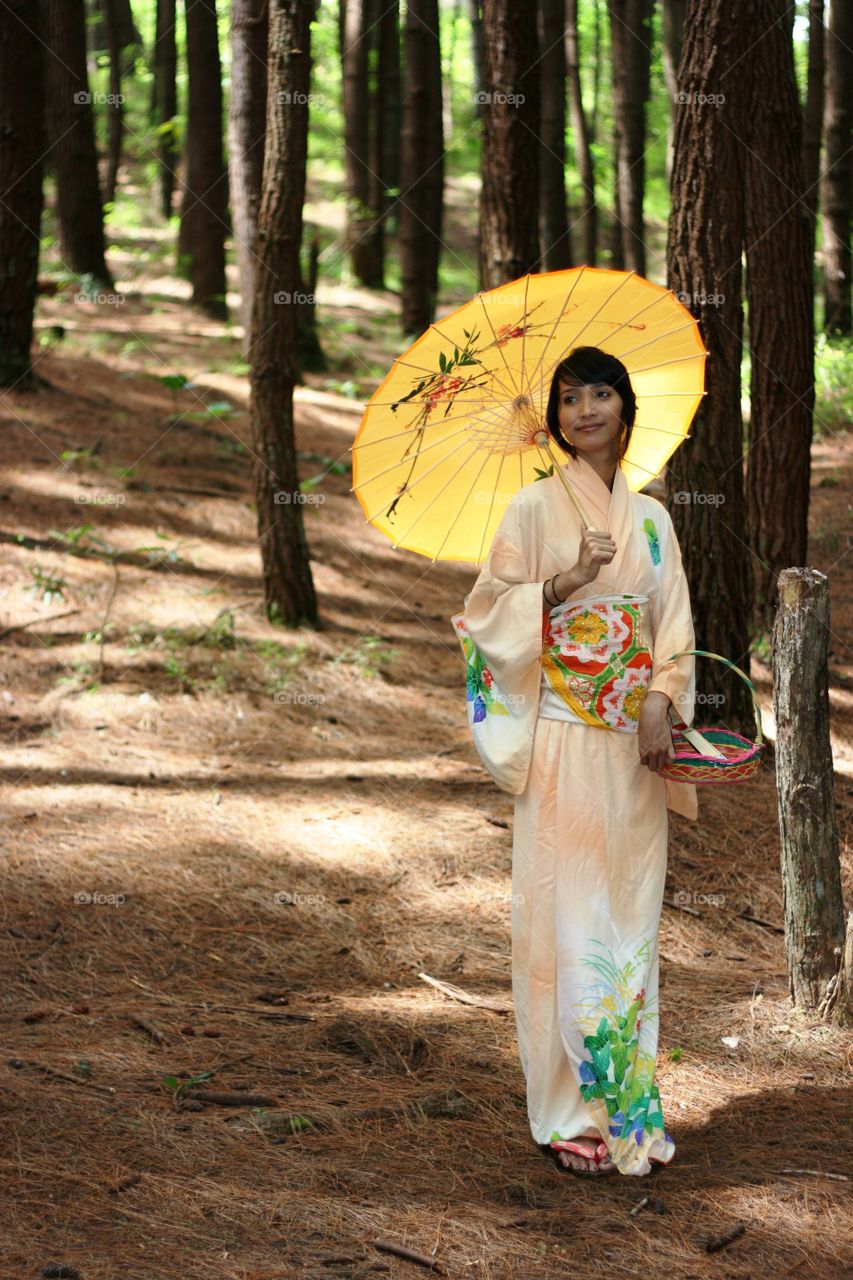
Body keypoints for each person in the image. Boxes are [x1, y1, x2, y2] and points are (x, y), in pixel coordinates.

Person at [452, 346, 698, 1178]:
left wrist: (661, 702)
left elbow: (674, 631)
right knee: (563, 921)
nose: (585, 408)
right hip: (558, 739)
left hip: (632, 746)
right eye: (568, 398)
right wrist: (562, 583)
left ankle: (625, 1107)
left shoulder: (655, 521)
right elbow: (485, 617)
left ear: (624, 407)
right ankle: (564, 1111)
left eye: (600, 393)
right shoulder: (529, 510)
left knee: (625, 923)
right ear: (553, 421)